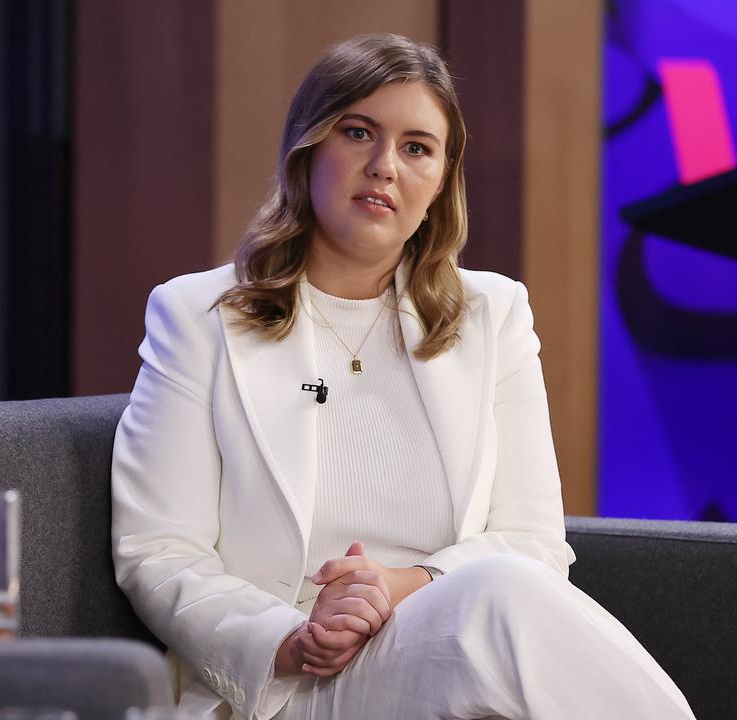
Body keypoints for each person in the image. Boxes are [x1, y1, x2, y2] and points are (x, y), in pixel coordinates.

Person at [110, 33, 694, 719]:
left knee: (504, 593)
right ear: (309, 148)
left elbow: (535, 543)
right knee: (502, 598)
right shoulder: (198, 315)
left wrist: (398, 585)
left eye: (417, 147)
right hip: (288, 682)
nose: (385, 165)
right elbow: (158, 550)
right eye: (358, 133)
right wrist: (291, 640)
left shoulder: (492, 314)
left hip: (449, 651)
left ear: (441, 180)